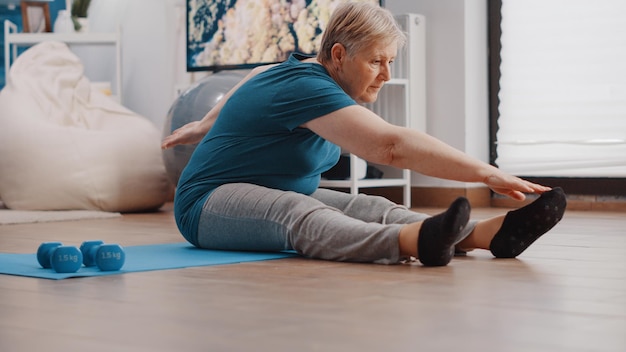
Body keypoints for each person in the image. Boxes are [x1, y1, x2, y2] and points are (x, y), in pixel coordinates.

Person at [161, 2, 566, 267]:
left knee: (369, 207)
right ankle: (410, 242)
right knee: (299, 214)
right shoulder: (306, 86)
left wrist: (203, 124)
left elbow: (255, 74)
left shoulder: (300, 72)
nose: (387, 76)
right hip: (207, 205)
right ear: (338, 55)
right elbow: (389, 146)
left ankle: (484, 236)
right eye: (376, 61)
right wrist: (486, 173)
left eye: (390, 61)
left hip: (270, 187)